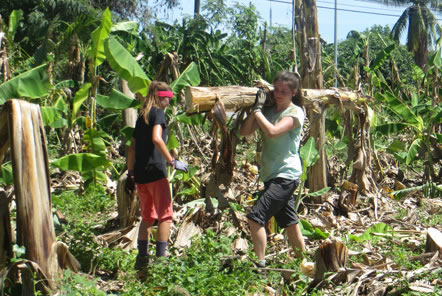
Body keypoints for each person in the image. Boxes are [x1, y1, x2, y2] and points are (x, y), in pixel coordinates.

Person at [240, 71, 306, 268]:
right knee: (290, 223)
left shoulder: (295, 113)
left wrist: (258, 112)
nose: (278, 94)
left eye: (284, 91)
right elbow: (244, 132)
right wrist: (256, 110)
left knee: (255, 217)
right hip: (271, 175)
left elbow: (273, 131)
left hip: (286, 175)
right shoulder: (269, 112)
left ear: (293, 92)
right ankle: (304, 264)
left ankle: (260, 265)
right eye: (276, 89)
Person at [126, 81, 188, 270]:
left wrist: (130, 173)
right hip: (156, 172)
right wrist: (172, 161)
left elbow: (132, 148)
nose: (169, 103)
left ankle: (142, 260)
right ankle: (162, 261)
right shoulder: (158, 113)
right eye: (168, 99)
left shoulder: (141, 117)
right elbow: (156, 138)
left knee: (147, 216)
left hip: (140, 174)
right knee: (165, 215)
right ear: (161, 97)